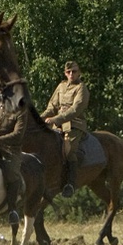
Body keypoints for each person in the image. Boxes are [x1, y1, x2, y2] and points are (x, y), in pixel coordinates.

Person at [41, 60, 90, 197]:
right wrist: (39, 118)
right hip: (58, 125)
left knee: (69, 150)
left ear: (79, 72)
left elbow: (76, 109)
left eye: (74, 71)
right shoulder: (61, 86)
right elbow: (52, 107)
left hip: (75, 124)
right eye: (68, 72)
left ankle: (70, 183)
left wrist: (56, 119)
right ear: (65, 73)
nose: (71, 74)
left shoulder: (81, 88)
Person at [0, 104, 27, 225]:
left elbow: (18, 134)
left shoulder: (20, 111)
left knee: (12, 173)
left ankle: (12, 210)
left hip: (9, 150)